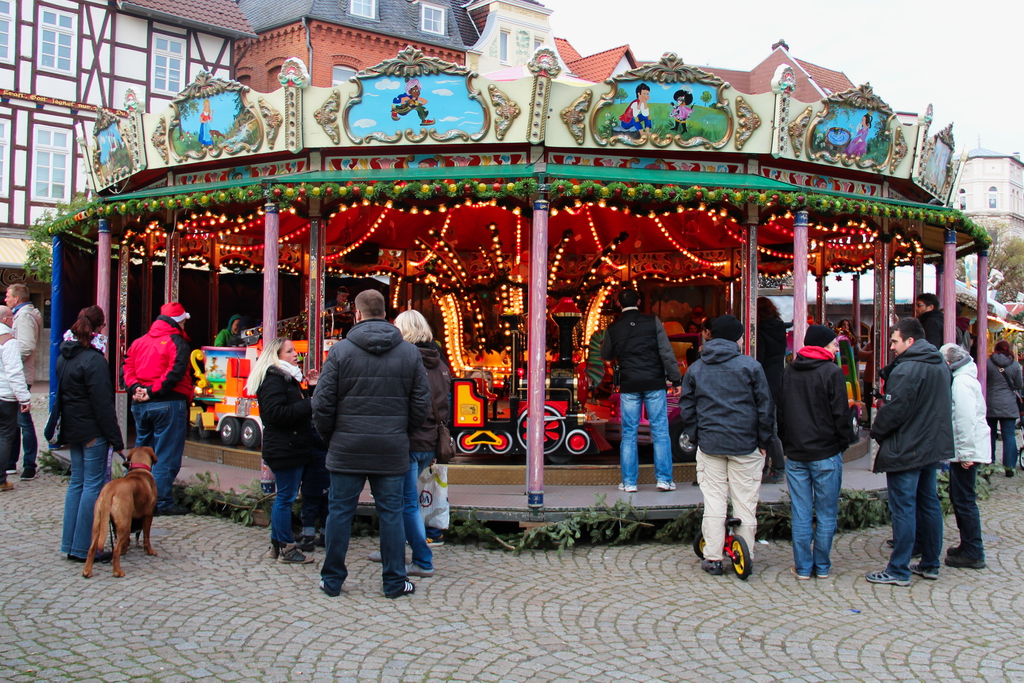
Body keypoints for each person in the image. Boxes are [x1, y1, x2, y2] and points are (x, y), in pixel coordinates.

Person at [313, 290, 430, 599]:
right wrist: (400, 432)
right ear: (386, 312)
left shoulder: (339, 352)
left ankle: (333, 579)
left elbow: (321, 404)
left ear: (357, 313)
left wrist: (332, 437)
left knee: (339, 512)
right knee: (391, 513)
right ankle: (394, 581)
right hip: (391, 446)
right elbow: (421, 404)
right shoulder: (408, 353)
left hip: (346, 446)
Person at [679, 315, 773, 575]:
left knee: (714, 501)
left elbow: (687, 407)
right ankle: (747, 553)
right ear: (737, 338)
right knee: (745, 501)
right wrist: (764, 440)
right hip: (746, 443)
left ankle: (712, 557)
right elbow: (765, 406)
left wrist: (697, 435)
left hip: (710, 444)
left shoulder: (696, 368)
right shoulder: (751, 366)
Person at [866, 317, 953, 586]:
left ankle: (899, 569)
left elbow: (895, 411)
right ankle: (930, 563)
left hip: (907, 447)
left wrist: (876, 431)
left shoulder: (906, 370)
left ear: (909, 341)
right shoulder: (939, 365)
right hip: (930, 446)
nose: (892, 347)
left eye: (894, 341)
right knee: (929, 503)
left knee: (903, 508)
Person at [778, 325, 855, 580]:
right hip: (825, 453)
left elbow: (782, 412)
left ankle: (802, 567)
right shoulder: (831, 372)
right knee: (826, 513)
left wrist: (787, 443)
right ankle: (821, 566)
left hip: (797, 454)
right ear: (822, 344)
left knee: (801, 513)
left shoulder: (790, 371)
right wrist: (842, 443)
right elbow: (840, 414)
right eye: (834, 343)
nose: (836, 347)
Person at [51, 306, 124, 562]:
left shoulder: (64, 357)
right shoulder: (94, 360)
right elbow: (103, 406)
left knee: (77, 485)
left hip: (73, 429)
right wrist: (117, 441)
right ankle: (85, 547)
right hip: (93, 431)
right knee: (93, 487)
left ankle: (69, 544)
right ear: (99, 328)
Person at [386, 309, 451, 578]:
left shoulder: (407, 361)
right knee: (399, 499)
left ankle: (423, 560)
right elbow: (444, 406)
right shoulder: (440, 363)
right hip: (429, 442)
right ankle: (391, 549)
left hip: (410, 441)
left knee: (406, 504)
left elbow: (407, 405)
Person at [600, 289, 681, 493]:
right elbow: (665, 351)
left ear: (618, 304)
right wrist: (675, 378)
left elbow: (606, 354)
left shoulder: (613, 327)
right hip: (654, 382)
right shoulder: (652, 321)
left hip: (629, 384)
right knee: (660, 430)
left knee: (629, 433)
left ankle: (629, 482)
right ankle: (664, 479)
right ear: (638, 300)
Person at [121, 302, 193, 516]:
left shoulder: (139, 342)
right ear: (179, 321)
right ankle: (160, 502)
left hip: (140, 404)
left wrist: (136, 388)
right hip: (168, 403)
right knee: (166, 455)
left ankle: (135, 498)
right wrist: (152, 391)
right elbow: (175, 371)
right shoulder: (176, 341)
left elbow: (127, 367)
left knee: (141, 454)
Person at [248, 337, 315, 564]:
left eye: (295, 350)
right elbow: (275, 414)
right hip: (286, 448)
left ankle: (277, 546)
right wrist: (310, 404)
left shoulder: (288, 380)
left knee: (284, 498)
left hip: (290, 446)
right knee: (285, 498)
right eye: (289, 351)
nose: (295, 354)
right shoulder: (274, 380)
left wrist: (310, 392)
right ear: (277, 356)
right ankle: (286, 548)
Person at [939, 343, 991, 569]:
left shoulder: (960, 383)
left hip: (966, 452)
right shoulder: (965, 379)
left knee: (964, 500)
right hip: (965, 449)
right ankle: (969, 545)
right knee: (961, 498)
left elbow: (965, 419)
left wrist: (966, 453)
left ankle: (973, 549)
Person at [5, 284, 42, 480]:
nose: (5, 299)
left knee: (23, 421)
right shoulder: (22, 315)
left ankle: (29, 464)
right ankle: (11, 462)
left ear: (17, 298)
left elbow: (26, 346)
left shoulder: (25, 317)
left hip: (21, 374)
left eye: (8, 296)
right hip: (20, 373)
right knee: (15, 421)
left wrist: (7, 360)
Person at [756, 297, 788, 484]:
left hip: (765, 379)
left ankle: (776, 466)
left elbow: (759, 359)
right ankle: (771, 465)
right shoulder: (779, 328)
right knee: (771, 424)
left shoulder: (760, 332)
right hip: (777, 378)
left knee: (768, 426)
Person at [0, 306, 30, 492]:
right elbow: (14, 372)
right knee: (4, 437)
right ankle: (1, 479)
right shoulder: (8, 342)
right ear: (5, 320)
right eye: (11, 318)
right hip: (5, 396)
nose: (13, 321)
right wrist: (24, 397)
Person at [985, 339, 1021, 476]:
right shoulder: (1015, 365)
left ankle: (989, 463)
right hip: (1008, 404)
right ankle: (1009, 466)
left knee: (990, 435)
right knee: (1009, 436)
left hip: (990, 403)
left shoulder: (988, 363)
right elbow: (1018, 384)